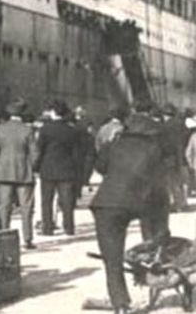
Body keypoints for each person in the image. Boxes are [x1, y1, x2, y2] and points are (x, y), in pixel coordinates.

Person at [90, 107, 173, 314]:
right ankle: (153, 276)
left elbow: (100, 166)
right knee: (153, 243)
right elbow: (160, 184)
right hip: (141, 201)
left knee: (112, 258)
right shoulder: (154, 148)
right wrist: (162, 227)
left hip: (107, 204)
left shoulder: (114, 144)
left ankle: (120, 304)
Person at [0, 98, 38, 249]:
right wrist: (30, 166)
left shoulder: (0, 129)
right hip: (24, 171)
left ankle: (4, 236)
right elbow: (35, 153)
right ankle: (28, 238)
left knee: (4, 206)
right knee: (26, 207)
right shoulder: (27, 129)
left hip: (3, 172)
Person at [36, 101, 80, 236]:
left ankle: (47, 227)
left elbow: (40, 150)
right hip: (66, 169)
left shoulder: (45, 129)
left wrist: (36, 167)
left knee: (47, 200)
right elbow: (76, 151)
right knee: (67, 200)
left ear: (53, 112)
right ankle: (69, 227)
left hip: (48, 168)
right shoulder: (71, 130)